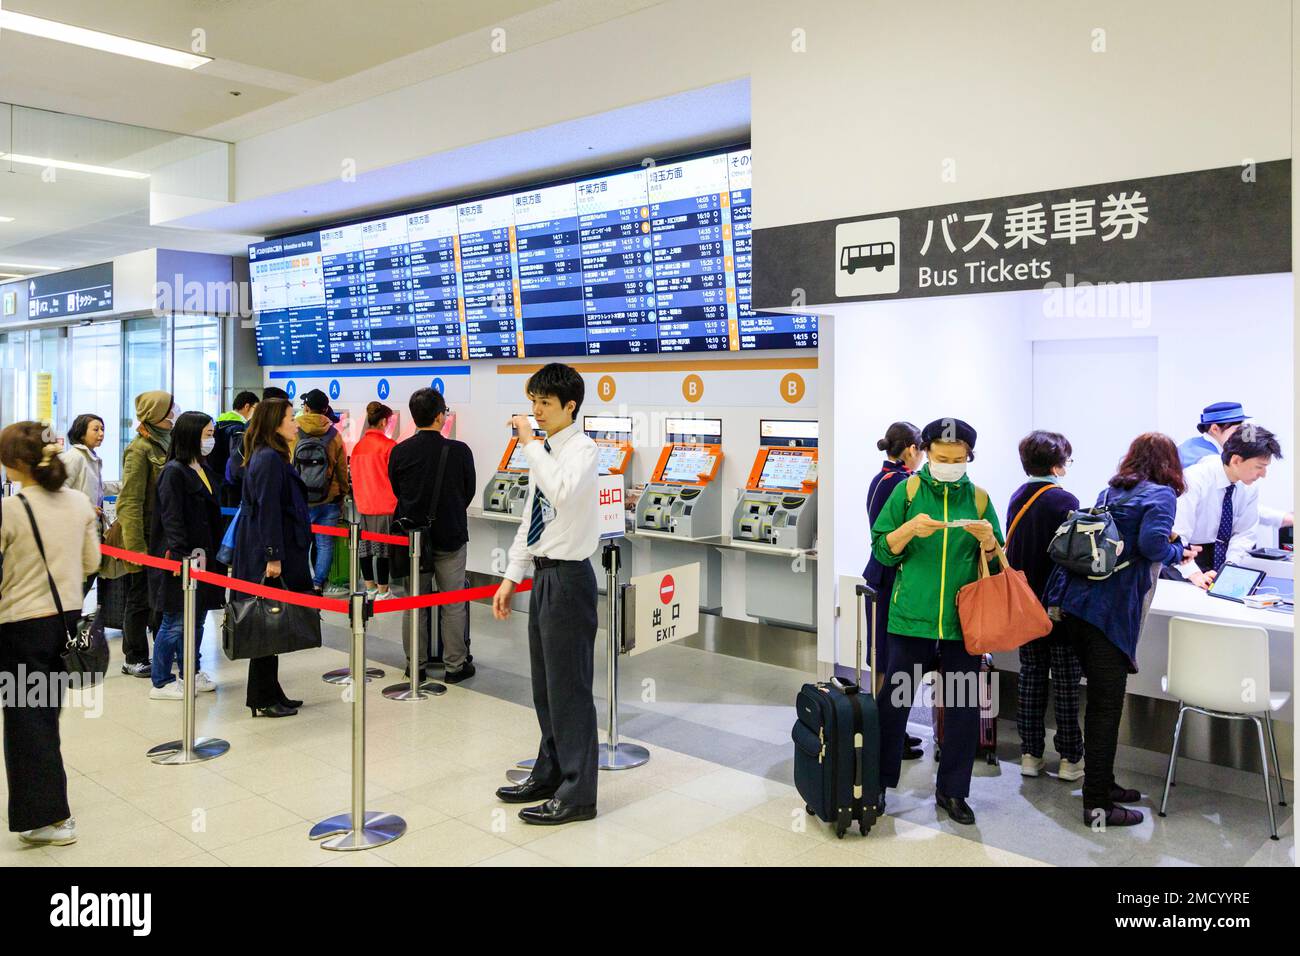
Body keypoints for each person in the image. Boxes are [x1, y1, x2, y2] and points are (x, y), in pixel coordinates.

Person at [1043, 433, 1186, 829]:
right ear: (1170, 463)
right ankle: (1098, 806)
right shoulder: (1162, 495)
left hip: (1074, 604)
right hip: (1108, 614)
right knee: (1107, 708)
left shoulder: (1112, 490)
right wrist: (1179, 550)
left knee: (1100, 704)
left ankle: (1104, 783)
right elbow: (1154, 545)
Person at [870, 417, 1002, 826]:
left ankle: (953, 791)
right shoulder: (907, 491)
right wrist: (908, 529)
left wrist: (989, 541)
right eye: (942, 457)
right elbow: (882, 550)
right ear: (925, 452)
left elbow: (997, 563)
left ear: (969, 458)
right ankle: (878, 784)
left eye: (958, 458)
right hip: (911, 619)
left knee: (963, 708)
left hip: (963, 624)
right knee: (894, 704)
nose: (949, 464)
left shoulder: (979, 499)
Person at [492, 364, 600, 826]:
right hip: (543, 577)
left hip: (571, 580)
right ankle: (551, 770)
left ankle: (578, 794)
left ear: (569, 407)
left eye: (545, 404)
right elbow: (530, 519)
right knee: (546, 687)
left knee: (570, 689)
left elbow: (559, 491)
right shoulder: (548, 450)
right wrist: (511, 576)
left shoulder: (583, 450)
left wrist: (530, 444)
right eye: (533, 402)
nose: (535, 411)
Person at [0, 422, 99, 846]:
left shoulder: (11, 510)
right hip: (65, 622)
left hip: (19, 626)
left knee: (27, 724)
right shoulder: (78, 503)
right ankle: (46, 810)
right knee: (43, 717)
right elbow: (91, 561)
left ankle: (52, 818)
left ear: (17, 462)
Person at [1006, 430, 1084, 781]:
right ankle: (1070, 759)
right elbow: (1075, 557)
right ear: (1057, 464)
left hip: (1025, 604)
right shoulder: (1063, 501)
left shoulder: (1017, 497)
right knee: (1066, 682)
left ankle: (1029, 754)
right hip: (1059, 608)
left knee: (1031, 676)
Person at [388, 388, 477, 682]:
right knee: (453, 603)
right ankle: (455, 665)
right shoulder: (460, 451)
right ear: (440, 416)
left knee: (414, 602)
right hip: (451, 536)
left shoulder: (399, 451)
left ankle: (416, 664)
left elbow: (397, 491)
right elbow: (468, 491)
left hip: (414, 540)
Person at [235, 397, 310, 718]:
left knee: (273, 621)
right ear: (275, 424)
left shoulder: (273, 456)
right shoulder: (267, 460)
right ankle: (261, 697)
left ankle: (271, 690)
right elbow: (267, 511)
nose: (296, 424)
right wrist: (273, 556)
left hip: (275, 549)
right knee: (266, 620)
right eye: (292, 418)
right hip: (267, 554)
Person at [146, 411, 225, 700]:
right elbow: (172, 518)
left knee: (198, 618)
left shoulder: (201, 468)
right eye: (207, 434)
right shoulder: (173, 472)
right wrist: (180, 557)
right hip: (181, 560)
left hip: (204, 557)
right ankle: (161, 680)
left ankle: (191, 671)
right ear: (191, 435)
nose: (211, 439)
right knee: (175, 621)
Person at [861, 421, 925, 760]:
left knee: (882, 658)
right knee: (888, 660)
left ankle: (890, 732)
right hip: (890, 579)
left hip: (877, 575)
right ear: (912, 450)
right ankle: (887, 736)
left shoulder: (879, 478)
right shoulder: (902, 484)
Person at [1173, 425, 1283, 589]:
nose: (1263, 474)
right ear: (1236, 460)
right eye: (1259, 467)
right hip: (1184, 558)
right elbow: (1176, 535)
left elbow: (1245, 533)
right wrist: (1194, 573)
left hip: (1220, 558)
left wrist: (1230, 567)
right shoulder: (1194, 479)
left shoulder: (1249, 487)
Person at [116, 391, 175, 678]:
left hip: (163, 537)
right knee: (139, 599)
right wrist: (135, 549)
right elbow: (129, 502)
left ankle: (161, 650)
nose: (174, 412)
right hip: (145, 537)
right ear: (155, 414)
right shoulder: (139, 449)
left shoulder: (169, 442)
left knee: (161, 598)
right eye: (168, 408)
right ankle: (134, 656)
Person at [291, 388, 350, 596]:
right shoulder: (334, 434)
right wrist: (342, 492)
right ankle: (317, 584)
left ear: (306, 408)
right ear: (326, 409)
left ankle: (300, 581)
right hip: (329, 498)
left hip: (300, 499)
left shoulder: (294, 431)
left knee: (300, 542)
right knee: (324, 544)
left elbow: (289, 465)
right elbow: (342, 469)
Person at [351, 401, 398, 601]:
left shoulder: (357, 447)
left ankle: (369, 588)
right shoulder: (389, 446)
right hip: (385, 505)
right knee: (383, 550)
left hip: (364, 505)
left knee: (366, 548)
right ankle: (383, 590)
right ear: (384, 421)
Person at [60, 413, 117, 523]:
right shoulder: (74, 457)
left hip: (89, 524)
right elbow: (60, 491)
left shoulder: (90, 457)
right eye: (96, 430)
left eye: (102, 429)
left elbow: (98, 487)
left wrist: (123, 485)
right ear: (81, 434)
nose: (101, 433)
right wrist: (87, 508)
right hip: (75, 524)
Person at [213, 390, 258, 507]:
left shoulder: (218, 422)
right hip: (232, 478)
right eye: (256, 408)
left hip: (217, 475)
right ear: (247, 406)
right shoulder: (240, 427)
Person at [1177, 401, 1247, 469]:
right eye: (1237, 429)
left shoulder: (1189, 443)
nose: (1241, 434)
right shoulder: (1211, 460)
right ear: (1215, 429)